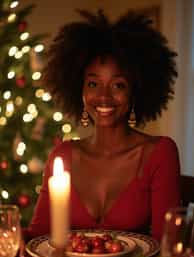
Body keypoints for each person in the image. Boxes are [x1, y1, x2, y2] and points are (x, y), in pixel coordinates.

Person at [26, 9, 181, 242]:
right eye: (93, 83)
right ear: (79, 90)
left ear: (135, 91)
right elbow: (38, 237)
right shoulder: (63, 156)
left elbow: (167, 247)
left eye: (118, 85)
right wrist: (10, 234)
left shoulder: (159, 154)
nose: (104, 97)